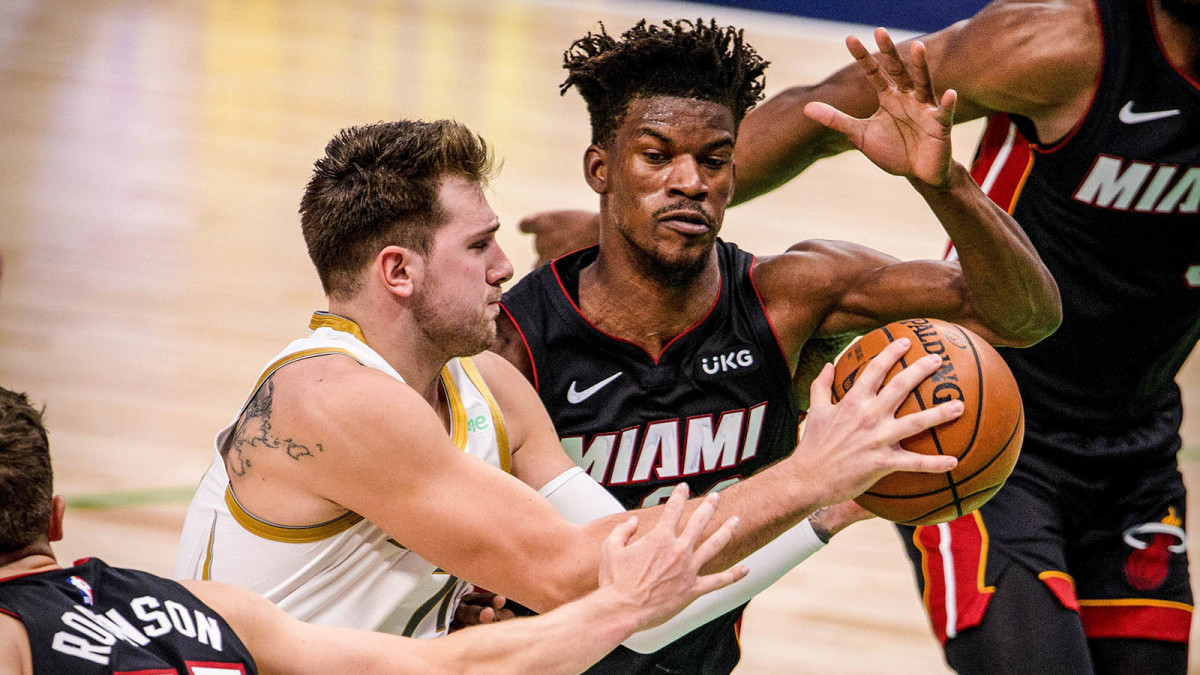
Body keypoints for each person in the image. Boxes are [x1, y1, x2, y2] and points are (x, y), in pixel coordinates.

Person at [523, 2, 1200, 672]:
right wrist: (630, 225)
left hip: (1137, 437)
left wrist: (945, 184)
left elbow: (1031, 315)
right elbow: (831, 108)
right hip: (989, 419)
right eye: (655, 157)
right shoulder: (1054, 41)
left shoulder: (796, 293)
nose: (687, 179)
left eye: (708, 161)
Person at [174, 118, 966, 652]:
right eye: (479, 244)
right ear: (399, 271)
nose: (504, 267)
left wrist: (830, 505)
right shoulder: (330, 398)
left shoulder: (487, 386)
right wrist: (803, 472)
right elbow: (570, 571)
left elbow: (644, 610)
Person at [0, 386, 768, 675]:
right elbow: (450, 670)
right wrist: (620, 607)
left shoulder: (12, 634)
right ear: (56, 515)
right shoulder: (206, 606)